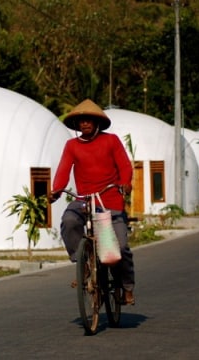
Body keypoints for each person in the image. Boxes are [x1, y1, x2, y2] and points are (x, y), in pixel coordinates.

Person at [50, 99, 135, 305]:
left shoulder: (111, 141)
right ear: (77, 124)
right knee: (69, 221)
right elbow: (63, 170)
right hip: (84, 200)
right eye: (81, 121)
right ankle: (83, 262)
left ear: (97, 123)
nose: (85, 124)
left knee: (118, 248)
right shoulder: (72, 146)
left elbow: (124, 166)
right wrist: (56, 191)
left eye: (89, 120)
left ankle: (126, 287)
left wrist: (125, 183)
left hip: (109, 201)